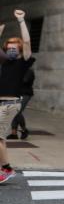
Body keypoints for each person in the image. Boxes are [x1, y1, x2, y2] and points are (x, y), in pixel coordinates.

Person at [0, 10, 34, 184]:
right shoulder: (4, 62)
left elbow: (27, 42)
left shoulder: (23, 62)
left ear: (19, 50)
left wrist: (21, 20)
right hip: (1, 104)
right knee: (0, 138)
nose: (12, 50)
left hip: (10, 104)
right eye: (9, 48)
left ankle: (6, 168)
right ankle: (4, 168)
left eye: (15, 48)